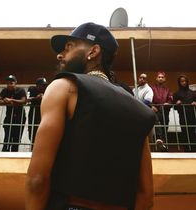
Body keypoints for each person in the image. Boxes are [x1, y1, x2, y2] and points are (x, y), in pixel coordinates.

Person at [26, 22, 155, 210]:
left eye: (69, 47)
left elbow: (37, 180)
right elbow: (146, 196)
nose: (60, 55)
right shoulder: (137, 107)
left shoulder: (63, 87)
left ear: (93, 51)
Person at [0, 75, 26, 152]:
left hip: (20, 117)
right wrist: (5, 101)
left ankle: (14, 152)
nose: (9, 84)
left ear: (15, 82)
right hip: (9, 117)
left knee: (16, 138)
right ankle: (5, 152)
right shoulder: (5, 90)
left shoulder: (21, 90)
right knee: (7, 137)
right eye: (8, 83)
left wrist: (11, 100)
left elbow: (24, 101)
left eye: (11, 83)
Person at [173, 75, 196, 152]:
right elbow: (174, 108)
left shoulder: (193, 93)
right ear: (179, 83)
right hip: (182, 116)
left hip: (192, 116)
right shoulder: (176, 93)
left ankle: (194, 149)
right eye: (182, 81)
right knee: (184, 133)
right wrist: (177, 103)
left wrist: (195, 102)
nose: (184, 83)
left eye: (185, 81)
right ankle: (186, 150)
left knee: (192, 132)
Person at [151, 71, 172, 151]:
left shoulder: (167, 89)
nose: (160, 78)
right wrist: (151, 106)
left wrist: (168, 103)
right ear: (156, 78)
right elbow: (149, 97)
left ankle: (164, 146)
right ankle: (157, 147)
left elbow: (170, 98)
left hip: (165, 111)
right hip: (155, 110)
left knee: (164, 127)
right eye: (159, 77)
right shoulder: (152, 88)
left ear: (165, 79)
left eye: (162, 77)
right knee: (157, 128)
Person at [27, 77, 48, 149]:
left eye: (45, 85)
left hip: (43, 113)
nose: (44, 87)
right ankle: (33, 148)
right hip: (33, 113)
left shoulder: (47, 90)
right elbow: (27, 99)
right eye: (43, 85)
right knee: (32, 131)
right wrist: (37, 98)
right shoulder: (31, 89)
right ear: (37, 85)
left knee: (42, 131)